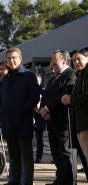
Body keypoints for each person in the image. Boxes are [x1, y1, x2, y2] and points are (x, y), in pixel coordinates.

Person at [0, 48, 40, 185]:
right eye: (9, 58)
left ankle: (27, 182)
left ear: (20, 59)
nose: (11, 60)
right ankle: (14, 181)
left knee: (26, 156)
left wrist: (21, 111)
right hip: (8, 122)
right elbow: (1, 100)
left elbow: (34, 98)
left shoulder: (29, 75)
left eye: (14, 57)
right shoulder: (5, 78)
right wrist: (2, 113)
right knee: (14, 156)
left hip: (23, 122)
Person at [40, 50, 77, 185]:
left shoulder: (71, 74)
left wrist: (48, 108)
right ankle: (60, 179)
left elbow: (64, 94)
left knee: (65, 154)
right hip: (51, 122)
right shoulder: (53, 78)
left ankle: (68, 181)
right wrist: (43, 109)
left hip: (63, 123)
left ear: (64, 61)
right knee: (56, 154)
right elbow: (45, 97)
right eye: (51, 60)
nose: (52, 62)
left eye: (54, 59)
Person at [62, 49, 88, 169]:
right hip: (80, 123)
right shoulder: (79, 75)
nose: (76, 62)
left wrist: (71, 100)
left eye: (79, 59)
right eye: (74, 60)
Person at [34, 74, 46, 164]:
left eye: (37, 80)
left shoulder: (43, 91)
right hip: (31, 116)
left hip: (40, 117)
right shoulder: (29, 90)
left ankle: (39, 156)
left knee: (39, 138)